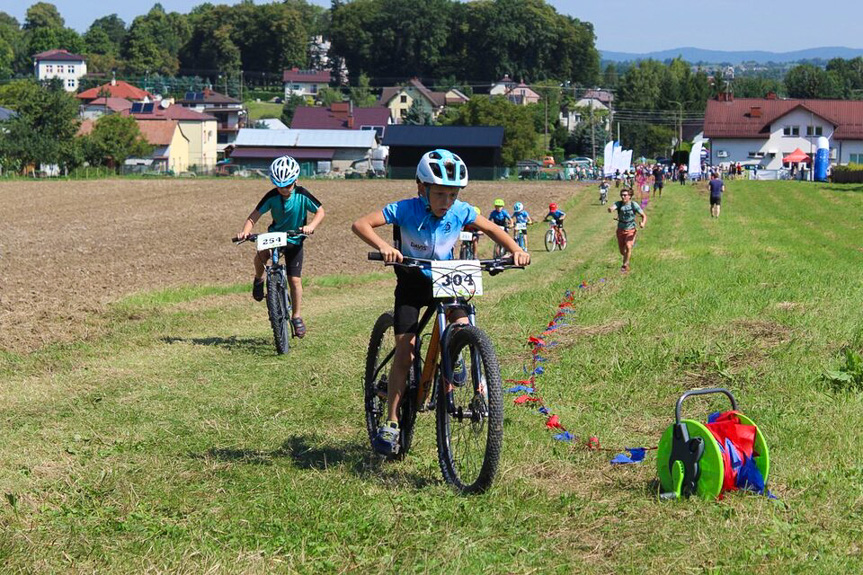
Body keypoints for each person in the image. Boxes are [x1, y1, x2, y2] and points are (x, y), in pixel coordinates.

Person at [351, 149, 530, 455]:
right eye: (440, 194)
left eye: (453, 194)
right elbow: (361, 224)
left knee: (462, 323)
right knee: (406, 353)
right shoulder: (405, 209)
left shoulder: (460, 211)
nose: (447, 201)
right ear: (422, 187)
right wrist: (384, 247)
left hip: (446, 279)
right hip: (410, 283)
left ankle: (457, 351)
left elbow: (493, 229)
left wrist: (515, 249)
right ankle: (392, 422)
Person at [236, 155, 325, 338]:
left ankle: (297, 316)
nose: (283, 190)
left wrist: (311, 227)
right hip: (276, 237)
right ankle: (259, 279)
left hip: (295, 239)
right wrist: (245, 231)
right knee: (261, 252)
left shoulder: (302, 194)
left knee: (295, 281)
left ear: (296, 181)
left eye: (287, 186)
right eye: (279, 186)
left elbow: (320, 211)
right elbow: (254, 216)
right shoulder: (272, 196)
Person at [607, 187, 646, 273]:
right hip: (620, 230)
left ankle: (625, 265)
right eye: (621, 195)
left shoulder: (634, 205)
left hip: (631, 229)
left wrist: (643, 223)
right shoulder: (619, 203)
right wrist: (610, 209)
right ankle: (626, 260)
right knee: (622, 251)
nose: (623, 197)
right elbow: (613, 207)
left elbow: (643, 215)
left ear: (630, 196)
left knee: (628, 246)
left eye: (625, 195)